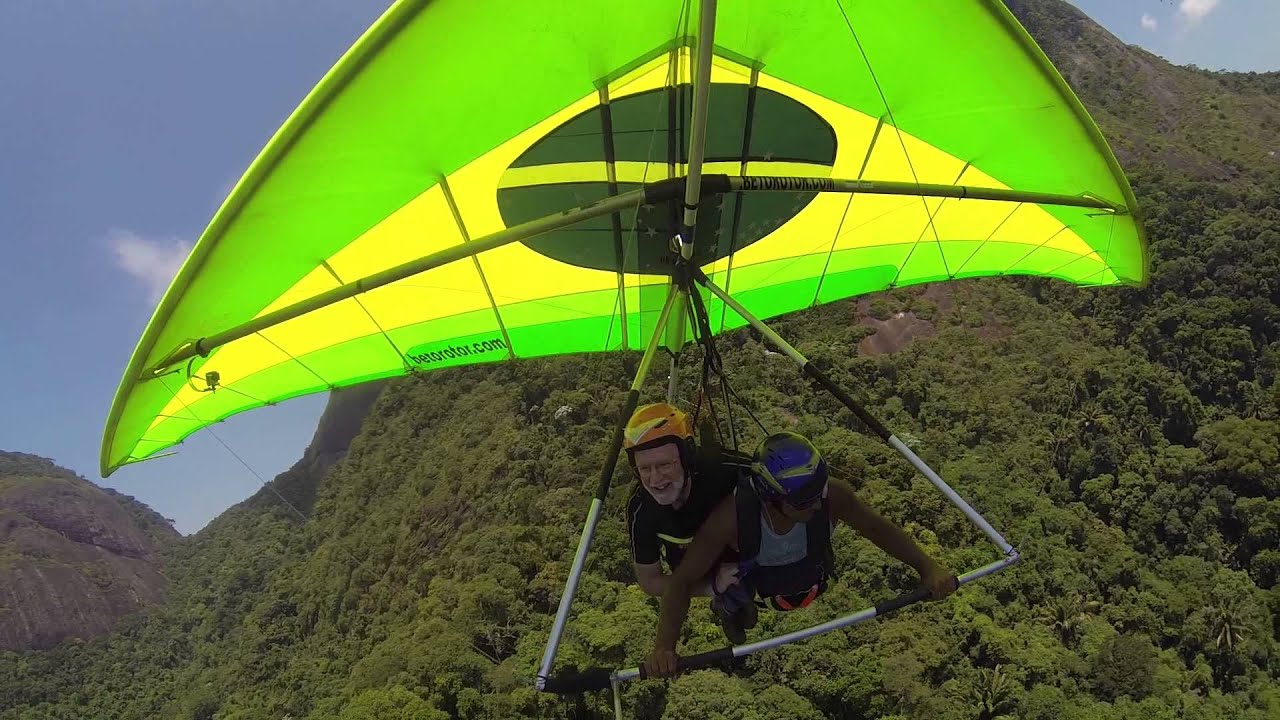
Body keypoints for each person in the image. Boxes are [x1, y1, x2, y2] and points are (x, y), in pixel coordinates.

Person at [643, 431, 959, 677]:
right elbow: (682, 580)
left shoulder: (832, 496)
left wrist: (928, 567)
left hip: (815, 578)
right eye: (805, 501)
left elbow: (878, 529)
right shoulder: (733, 517)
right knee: (728, 582)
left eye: (819, 492)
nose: (818, 504)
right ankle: (731, 607)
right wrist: (664, 648)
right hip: (760, 590)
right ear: (771, 498)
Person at [623, 402, 755, 641]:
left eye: (664, 465)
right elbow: (650, 582)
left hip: (742, 552)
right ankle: (726, 603)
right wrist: (711, 586)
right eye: (645, 469)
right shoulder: (641, 509)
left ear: (687, 457)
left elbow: (780, 485)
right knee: (734, 599)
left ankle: (734, 600)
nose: (655, 479)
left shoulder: (724, 470)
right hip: (696, 571)